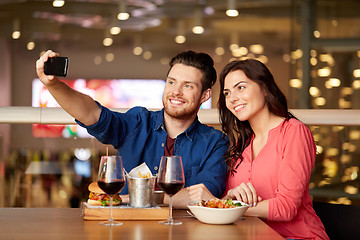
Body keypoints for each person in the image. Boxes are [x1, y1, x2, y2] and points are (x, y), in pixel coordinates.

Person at [36, 50, 228, 209]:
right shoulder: (138, 122)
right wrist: (53, 85)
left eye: (187, 86)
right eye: (171, 82)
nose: (175, 92)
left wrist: (128, 199)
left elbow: (204, 196)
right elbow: (93, 115)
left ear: (205, 96)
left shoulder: (216, 142)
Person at [187, 59, 329, 239]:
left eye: (241, 87)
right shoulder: (242, 144)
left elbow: (286, 208)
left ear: (264, 87)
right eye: (227, 93)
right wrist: (228, 199)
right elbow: (229, 203)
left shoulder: (294, 132)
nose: (232, 98)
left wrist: (225, 205)